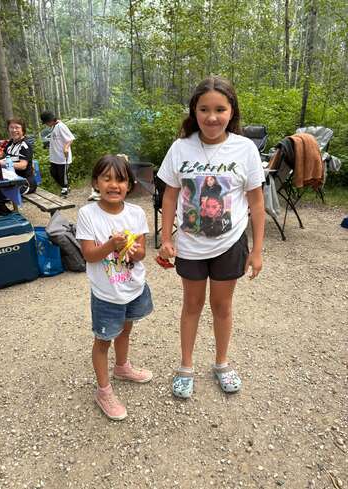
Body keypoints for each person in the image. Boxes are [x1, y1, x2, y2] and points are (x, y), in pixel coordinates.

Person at [157, 76, 265, 399]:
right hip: (190, 246)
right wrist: (166, 238)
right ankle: (186, 366)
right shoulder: (181, 147)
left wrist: (257, 250)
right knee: (191, 305)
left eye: (220, 109)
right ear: (194, 110)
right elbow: (169, 197)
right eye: (204, 109)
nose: (212, 117)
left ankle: (222, 363)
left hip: (229, 244)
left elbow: (257, 204)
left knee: (222, 306)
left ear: (232, 111)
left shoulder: (245, 149)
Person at [76, 154, 153, 420]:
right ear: (96, 182)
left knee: (126, 329)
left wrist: (131, 250)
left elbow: (142, 253)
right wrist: (111, 245)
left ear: (129, 185)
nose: (113, 185)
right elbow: (89, 255)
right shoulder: (88, 214)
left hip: (133, 287)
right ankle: (103, 390)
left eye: (120, 179)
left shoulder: (136, 213)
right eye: (106, 178)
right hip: (107, 294)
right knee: (103, 340)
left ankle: (122, 367)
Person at [0, 118, 37, 216]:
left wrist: (3, 163)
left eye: (17, 127)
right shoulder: (11, 143)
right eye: (11, 127)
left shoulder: (25, 145)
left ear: (23, 129)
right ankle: (1, 218)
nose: (14, 130)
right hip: (11, 181)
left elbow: (23, 166)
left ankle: (9, 220)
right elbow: (3, 155)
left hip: (25, 183)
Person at [40, 111, 75, 197]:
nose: (46, 124)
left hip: (62, 157)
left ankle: (65, 189)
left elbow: (70, 138)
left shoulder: (61, 126)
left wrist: (66, 147)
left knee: (62, 175)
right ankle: (66, 187)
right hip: (55, 157)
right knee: (53, 173)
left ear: (51, 120)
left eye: (46, 122)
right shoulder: (54, 127)